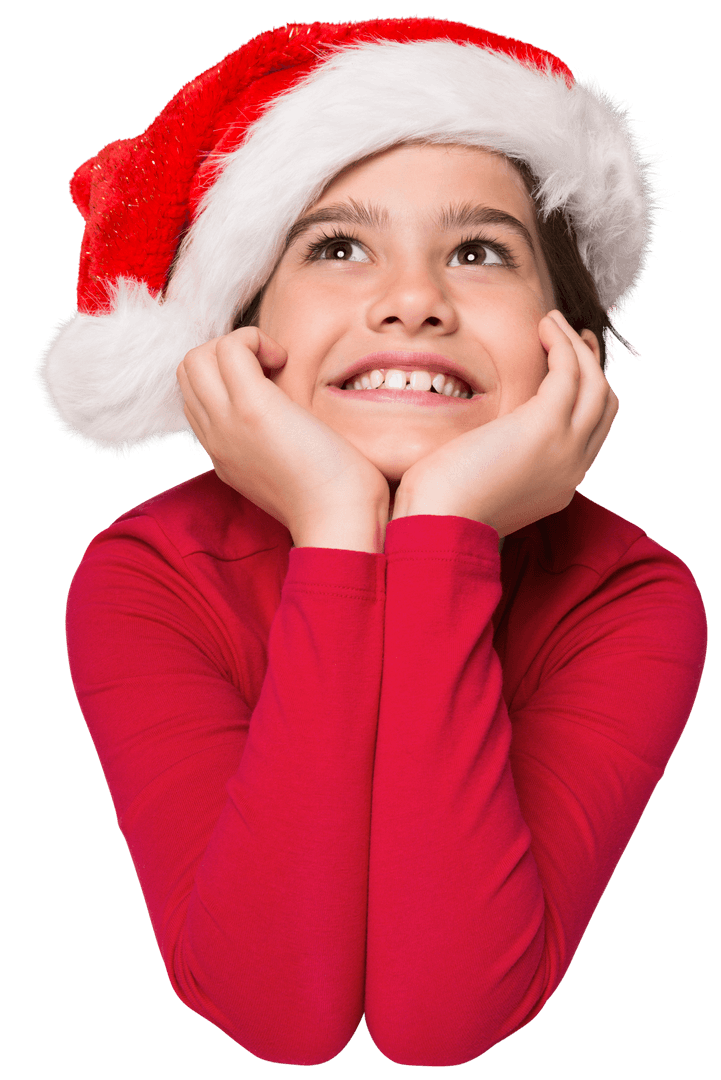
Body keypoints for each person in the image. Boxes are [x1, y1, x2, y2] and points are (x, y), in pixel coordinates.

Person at [34, 16, 707, 1069]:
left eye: (479, 251)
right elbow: (278, 1016)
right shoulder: (148, 576)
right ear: (241, 333)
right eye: (337, 247)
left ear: (570, 343)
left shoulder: (624, 595)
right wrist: (338, 530)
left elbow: (443, 1020)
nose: (411, 302)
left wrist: (440, 533)